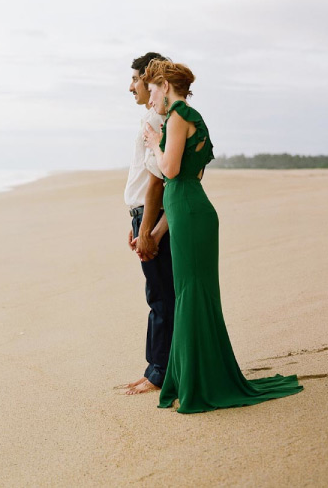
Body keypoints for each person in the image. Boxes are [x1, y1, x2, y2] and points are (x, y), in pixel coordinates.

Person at [142, 59, 303, 413]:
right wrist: (156, 230)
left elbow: (169, 170)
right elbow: (186, 179)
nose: (149, 96)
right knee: (191, 295)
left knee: (192, 295)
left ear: (165, 87)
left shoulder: (179, 114)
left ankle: (199, 381)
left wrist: (155, 142)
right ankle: (194, 378)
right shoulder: (187, 116)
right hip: (189, 211)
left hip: (191, 213)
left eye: (151, 89)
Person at [118, 52, 176, 396]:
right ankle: (155, 367)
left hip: (151, 215)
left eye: (136, 80)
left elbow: (158, 181)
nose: (131, 87)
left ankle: (159, 372)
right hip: (143, 214)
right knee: (158, 295)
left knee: (161, 297)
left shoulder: (157, 121)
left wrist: (146, 228)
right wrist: (135, 221)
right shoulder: (152, 119)